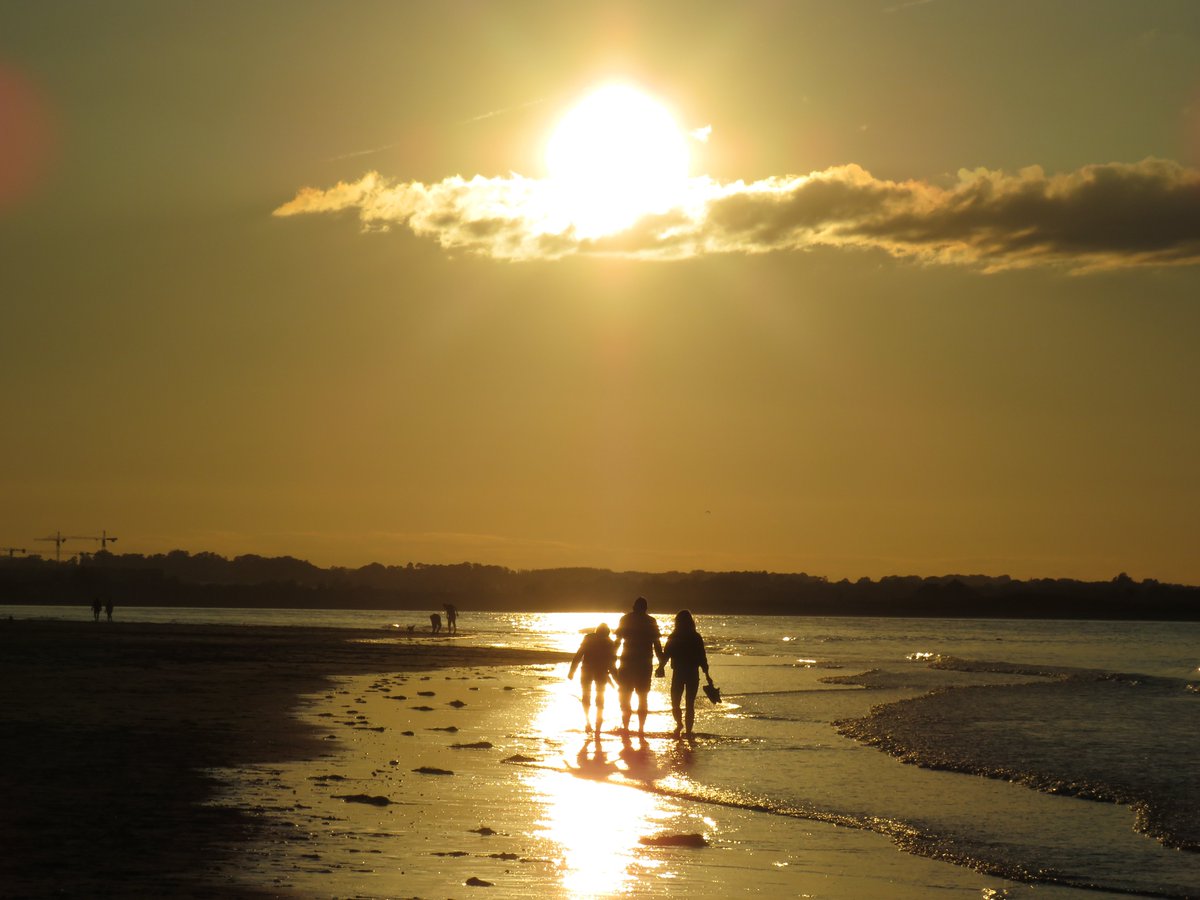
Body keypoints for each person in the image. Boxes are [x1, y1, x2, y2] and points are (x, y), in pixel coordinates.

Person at [656, 609, 713, 737]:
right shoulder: (696, 637)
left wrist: (661, 667)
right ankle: (687, 731)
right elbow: (702, 658)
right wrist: (707, 675)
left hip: (679, 673)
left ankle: (679, 724)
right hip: (693, 673)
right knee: (690, 704)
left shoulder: (674, 637)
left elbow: (666, 656)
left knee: (675, 702)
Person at [613, 597, 663, 737]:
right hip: (644, 664)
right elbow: (657, 645)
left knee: (625, 696)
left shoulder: (625, 619)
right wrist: (662, 664)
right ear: (646, 608)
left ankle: (626, 727)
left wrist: (610, 659)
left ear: (634, 606)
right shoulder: (651, 621)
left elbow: (617, 641)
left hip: (626, 663)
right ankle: (641, 729)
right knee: (642, 697)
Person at [567, 623, 617, 734]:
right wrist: (616, 679)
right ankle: (597, 726)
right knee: (600, 698)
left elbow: (578, 655)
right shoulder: (609, 642)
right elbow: (611, 664)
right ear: (607, 633)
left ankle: (588, 722)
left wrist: (572, 672)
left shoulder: (588, 639)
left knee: (586, 696)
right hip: (600, 672)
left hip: (587, 671)